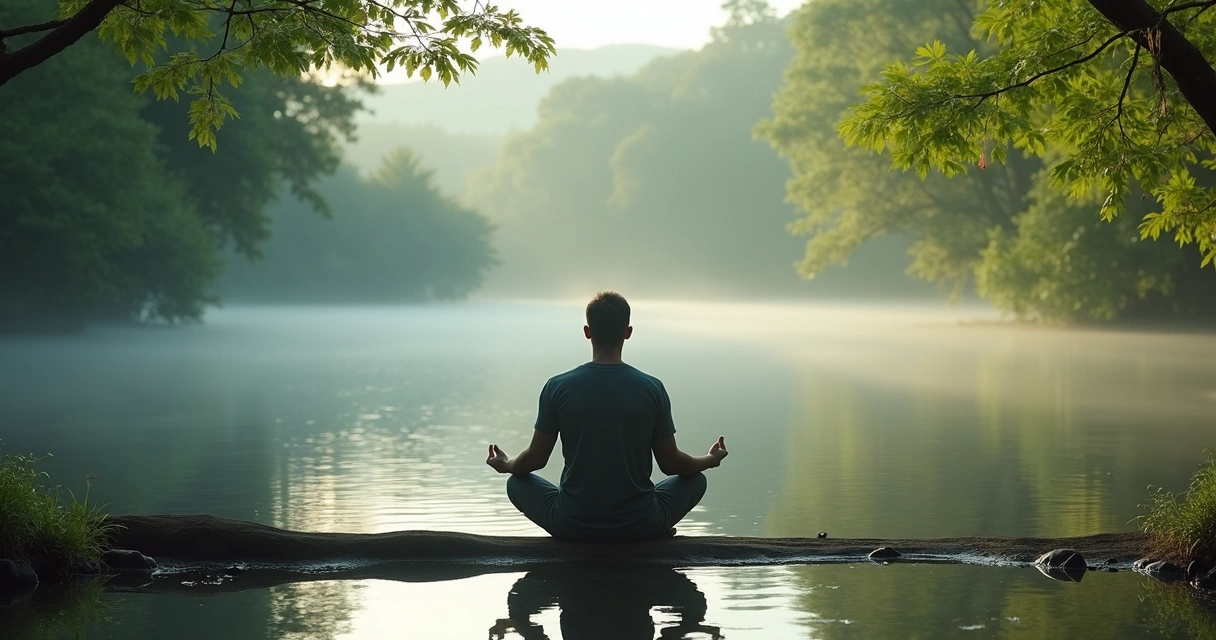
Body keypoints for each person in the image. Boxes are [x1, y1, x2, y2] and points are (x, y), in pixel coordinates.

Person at [485, 291, 729, 542]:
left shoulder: (556, 387)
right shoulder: (652, 388)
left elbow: (534, 460)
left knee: (516, 483)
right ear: (628, 332)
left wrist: (506, 465)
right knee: (696, 481)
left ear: (587, 332)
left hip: (571, 524)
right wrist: (710, 460)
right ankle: (655, 528)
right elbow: (672, 465)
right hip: (641, 525)